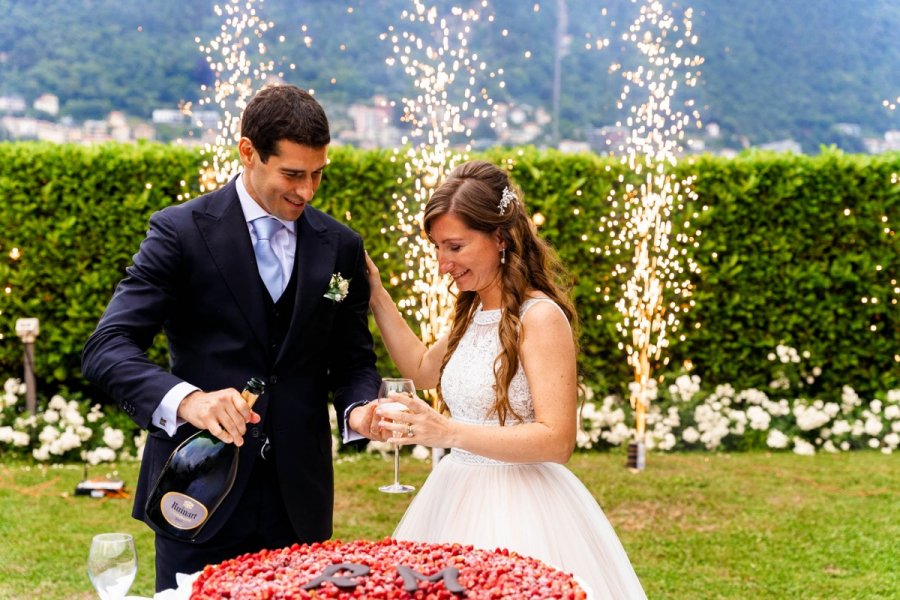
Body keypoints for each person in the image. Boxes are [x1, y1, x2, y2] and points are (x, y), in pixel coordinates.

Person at [82, 84, 384, 592]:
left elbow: (353, 361)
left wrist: (358, 410)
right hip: (196, 493)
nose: (307, 191)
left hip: (300, 505)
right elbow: (107, 347)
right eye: (292, 174)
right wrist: (189, 401)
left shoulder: (341, 246)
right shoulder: (179, 231)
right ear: (248, 151)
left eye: (317, 175)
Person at [365, 160, 646, 598]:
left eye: (455, 247)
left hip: (521, 506)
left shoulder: (541, 317)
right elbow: (422, 370)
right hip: (453, 491)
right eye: (438, 248)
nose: (443, 264)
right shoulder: (475, 309)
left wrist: (447, 431)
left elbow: (557, 440)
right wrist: (377, 295)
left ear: (500, 238)